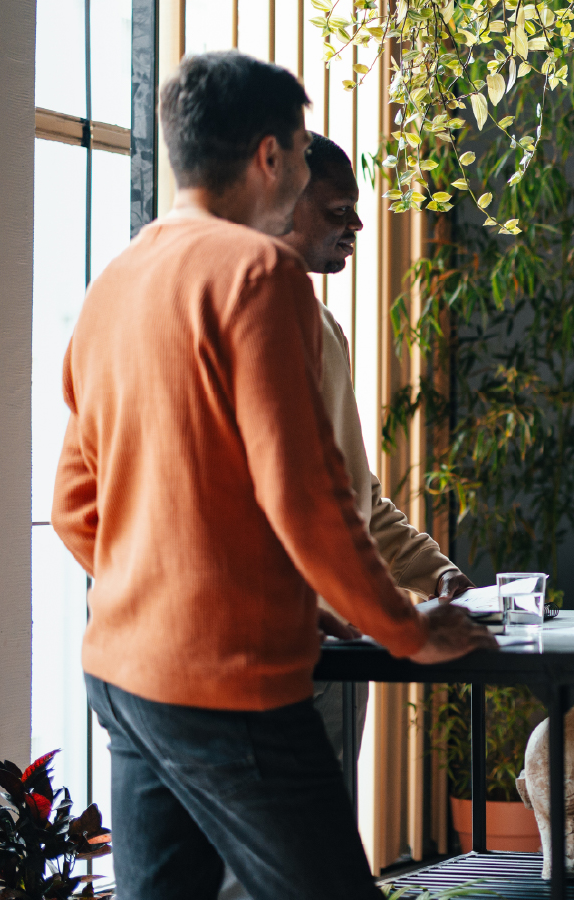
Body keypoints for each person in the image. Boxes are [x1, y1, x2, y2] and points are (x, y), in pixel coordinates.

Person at [51, 51, 494, 900]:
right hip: (228, 685)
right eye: (298, 152)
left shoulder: (116, 279)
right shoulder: (262, 276)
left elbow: (75, 507)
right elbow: (310, 503)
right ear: (269, 157)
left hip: (121, 674)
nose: (300, 171)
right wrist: (411, 629)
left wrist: (158, 590)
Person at [212, 132, 478, 900]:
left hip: (334, 651)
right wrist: (397, 623)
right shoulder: (238, 320)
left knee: (308, 861)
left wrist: (436, 571)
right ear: (282, 202)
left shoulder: (325, 331)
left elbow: (354, 493)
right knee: (273, 872)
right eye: (338, 210)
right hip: (274, 653)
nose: (356, 227)